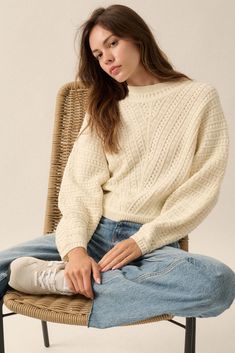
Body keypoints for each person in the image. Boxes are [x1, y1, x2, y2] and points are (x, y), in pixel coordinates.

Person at [1, 4, 235, 329]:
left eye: (112, 43)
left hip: (152, 245)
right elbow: (80, 189)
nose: (107, 58)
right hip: (95, 231)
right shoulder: (104, 105)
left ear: (138, 38)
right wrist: (77, 252)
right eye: (98, 54)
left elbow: (201, 187)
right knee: (1, 265)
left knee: (218, 283)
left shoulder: (198, 98)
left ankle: (64, 284)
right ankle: (91, 279)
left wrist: (144, 240)